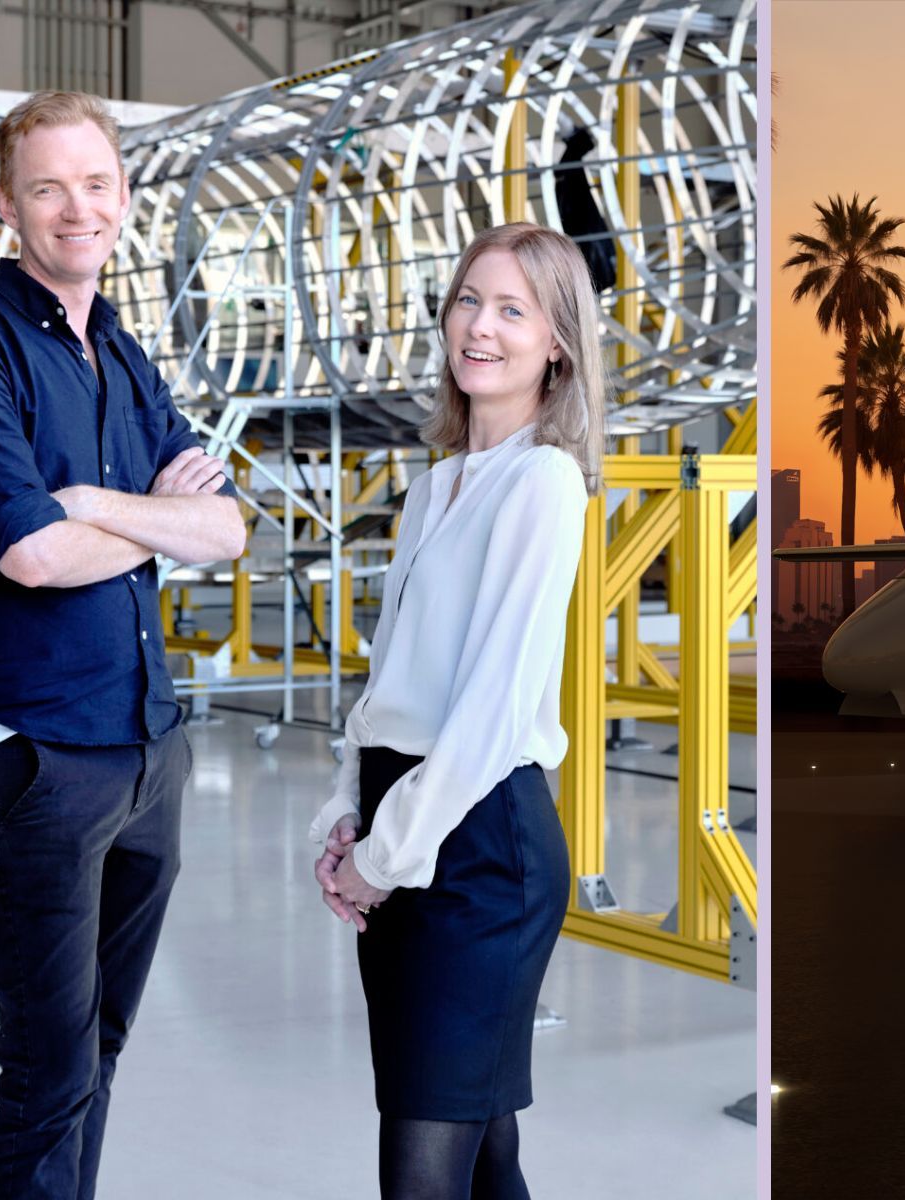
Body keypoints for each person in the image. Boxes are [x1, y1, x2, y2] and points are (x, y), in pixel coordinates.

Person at [0, 91, 246, 1197]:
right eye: (48, 187)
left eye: (95, 184)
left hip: (147, 754)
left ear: (124, 199)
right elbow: (32, 557)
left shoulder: (128, 359)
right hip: (35, 764)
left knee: (97, 1054)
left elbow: (228, 530)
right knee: (48, 1070)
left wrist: (94, 499)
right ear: (8, 206)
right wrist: (149, 521)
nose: (75, 208)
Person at [307, 222, 603, 1198]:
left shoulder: (544, 483)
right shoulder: (433, 490)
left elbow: (488, 711)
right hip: (405, 822)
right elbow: (388, 684)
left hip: (479, 850)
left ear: (557, 342)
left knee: (422, 1168)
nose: (481, 326)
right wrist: (343, 818)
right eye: (470, 299)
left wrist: (381, 860)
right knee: (482, 1149)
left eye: (514, 309)